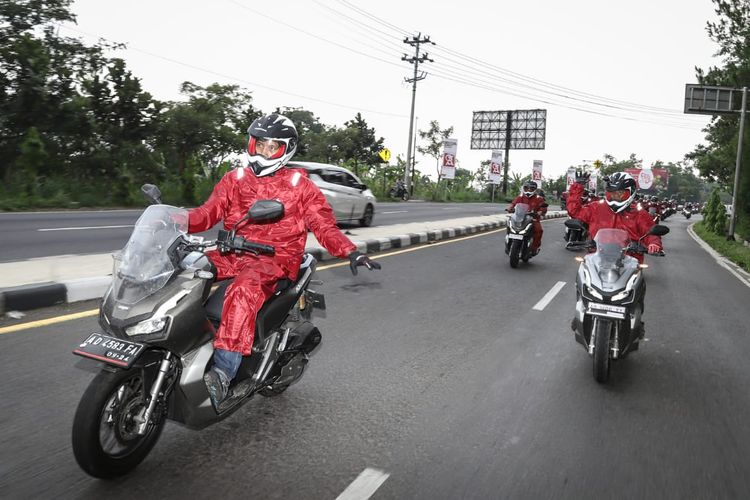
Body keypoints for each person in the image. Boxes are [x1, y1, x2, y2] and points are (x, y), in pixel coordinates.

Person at [188, 113, 381, 409]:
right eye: (259, 144)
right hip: (232, 253)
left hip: (273, 259)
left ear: (286, 149)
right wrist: (171, 219)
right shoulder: (234, 179)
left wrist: (350, 251)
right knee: (188, 268)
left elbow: (323, 226)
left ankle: (224, 374)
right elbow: (205, 214)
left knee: (243, 291)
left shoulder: (299, 186)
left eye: (272, 147)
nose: (263, 152)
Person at [567, 171, 663, 264]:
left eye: (620, 193)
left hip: (629, 262)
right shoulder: (596, 207)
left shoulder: (639, 213)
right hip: (597, 260)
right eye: (611, 193)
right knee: (582, 277)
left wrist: (654, 244)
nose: (615, 196)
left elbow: (650, 231)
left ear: (631, 192)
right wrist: (577, 186)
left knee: (637, 280)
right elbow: (574, 212)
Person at [506, 180, 548, 255]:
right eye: (526, 188)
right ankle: (508, 242)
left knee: (539, 230)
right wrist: (510, 208)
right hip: (519, 218)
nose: (528, 190)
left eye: (531, 188)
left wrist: (540, 211)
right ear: (524, 188)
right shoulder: (520, 197)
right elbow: (513, 203)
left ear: (534, 189)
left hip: (533, 219)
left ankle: (534, 248)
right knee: (509, 224)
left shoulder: (539, 198)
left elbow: (543, 207)